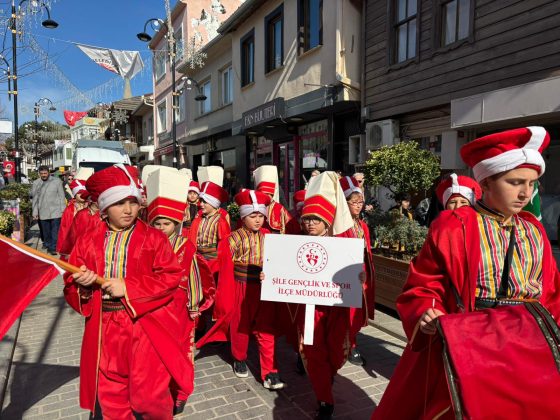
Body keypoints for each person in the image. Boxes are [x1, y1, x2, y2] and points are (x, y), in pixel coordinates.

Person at [372, 126, 560, 419]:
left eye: (531, 183)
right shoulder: (454, 224)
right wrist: (426, 310)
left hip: (528, 347)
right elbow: (424, 285)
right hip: (472, 344)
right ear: (485, 182)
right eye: (515, 182)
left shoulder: (534, 230)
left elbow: (551, 292)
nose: (525, 192)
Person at [63, 164, 191, 419]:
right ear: (104, 206)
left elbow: (170, 276)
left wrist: (129, 287)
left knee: (149, 396)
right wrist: (83, 285)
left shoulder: (154, 237)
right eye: (119, 203)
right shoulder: (87, 240)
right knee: (112, 394)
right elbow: (70, 280)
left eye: (133, 202)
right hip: (104, 326)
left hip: (145, 324)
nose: (128, 209)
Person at [288, 171, 365, 420]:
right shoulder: (295, 244)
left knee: (335, 351)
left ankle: (328, 374)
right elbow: (284, 274)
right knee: (313, 352)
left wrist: (359, 279)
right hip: (310, 308)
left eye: (316, 219)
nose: (310, 224)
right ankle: (324, 400)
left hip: (336, 308)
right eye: (307, 219)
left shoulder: (342, 243)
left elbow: (355, 273)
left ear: (327, 221)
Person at [146, 168, 208, 415]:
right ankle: (161, 390)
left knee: (182, 351)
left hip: (180, 308)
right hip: (153, 308)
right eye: (157, 223)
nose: (162, 227)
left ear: (176, 223)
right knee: (158, 353)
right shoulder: (147, 244)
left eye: (167, 223)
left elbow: (193, 277)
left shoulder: (185, 245)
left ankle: (181, 392)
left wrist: (193, 306)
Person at [339, 176, 375, 367]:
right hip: (344, 273)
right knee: (347, 312)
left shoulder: (363, 226)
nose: (359, 206)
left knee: (358, 312)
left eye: (361, 202)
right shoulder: (339, 226)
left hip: (361, 272)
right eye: (354, 202)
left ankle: (352, 341)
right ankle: (349, 345)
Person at [31, 165, 66, 255]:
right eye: (41, 173)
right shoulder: (36, 183)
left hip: (56, 210)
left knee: (55, 231)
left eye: (45, 173)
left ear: (48, 173)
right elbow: (35, 199)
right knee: (46, 232)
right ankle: (47, 243)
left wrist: (63, 209)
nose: (43, 175)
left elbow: (61, 196)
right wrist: (35, 212)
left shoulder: (57, 181)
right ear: (39, 174)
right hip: (43, 210)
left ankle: (52, 248)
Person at [56, 173, 92, 259]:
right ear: (75, 194)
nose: (82, 195)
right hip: (72, 241)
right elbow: (64, 228)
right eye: (80, 193)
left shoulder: (91, 207)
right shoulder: (70, 209)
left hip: (87, 242)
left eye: (84, 193)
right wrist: (63, 248)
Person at [254, 165, 292, 234]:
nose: (267, 197)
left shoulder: (279, 208)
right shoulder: (253, 208)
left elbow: (291, 227)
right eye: (264, 194)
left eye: (269, 194)